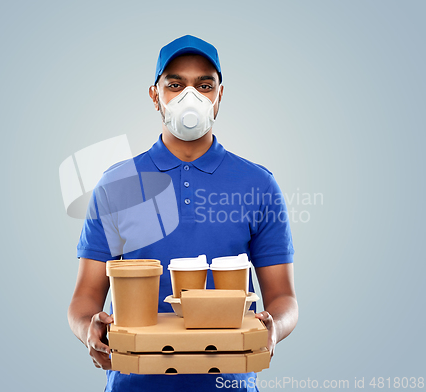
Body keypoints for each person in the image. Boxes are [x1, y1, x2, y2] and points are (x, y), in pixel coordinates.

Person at [68, 35, 298, 392]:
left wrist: (274, 329)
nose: (190, 97)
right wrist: (89, 330)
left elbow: (283, 297)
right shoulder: (117, 184)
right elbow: (85, 295)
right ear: (154, 95)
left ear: (220, 94)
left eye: (204, 85)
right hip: (135, 384)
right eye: (175, 84)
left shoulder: (258, 184)